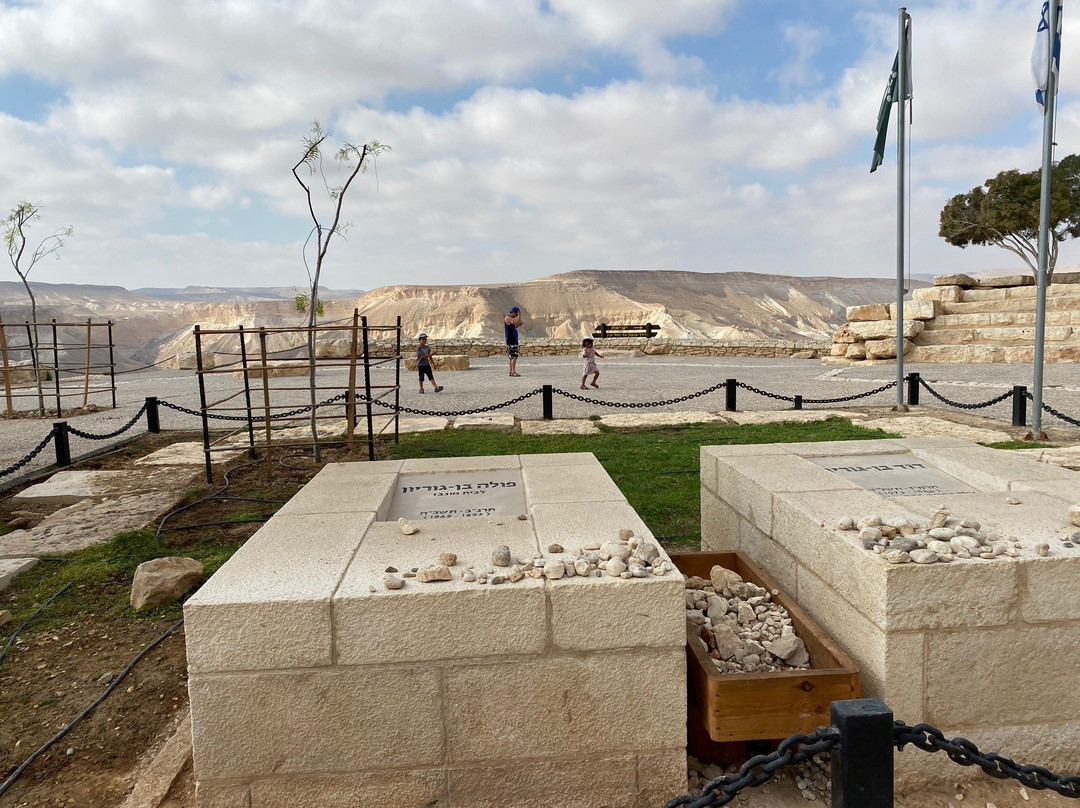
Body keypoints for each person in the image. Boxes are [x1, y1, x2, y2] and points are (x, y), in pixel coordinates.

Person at [504, 306, 523, 376]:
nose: (516, 316)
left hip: (512, 339)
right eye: (516, 314)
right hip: (511, 340)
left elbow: (516, 324)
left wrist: (519, 324)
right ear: (514, 313)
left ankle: (511, 370)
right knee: (514, 356)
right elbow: (517, 321)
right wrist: (520, 316)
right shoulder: (508, 318)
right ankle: (513, 371)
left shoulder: (510, 319)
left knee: (511, 356)